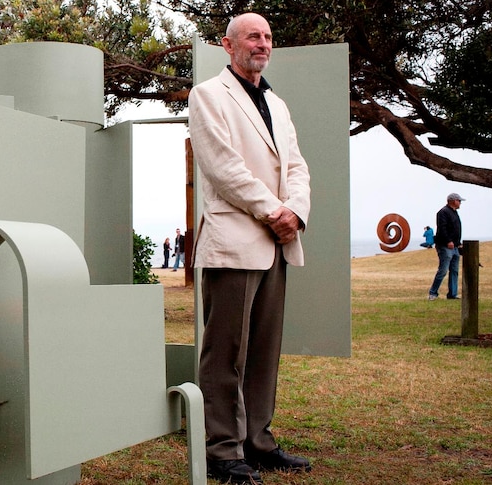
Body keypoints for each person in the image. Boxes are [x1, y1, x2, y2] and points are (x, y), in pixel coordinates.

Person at [188, 12, 312, 485]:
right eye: (252, 37)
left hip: (278, 242)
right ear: (228, 45)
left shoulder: (277, 104)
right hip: (234, 243)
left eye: (267, 37)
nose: (262, 43)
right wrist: (275, 212)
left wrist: (295, 213)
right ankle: (222, 450)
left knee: (263, 350)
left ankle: (258, 441)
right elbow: (223, 168)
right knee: (226, 351)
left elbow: (297, 166)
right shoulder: (207, 96)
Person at [428, 193, 465, 301]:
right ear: (453, 201)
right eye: (459, 201)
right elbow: (442, 229)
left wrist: (458, 243)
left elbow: (456, 229)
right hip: (445, 246)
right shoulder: (443, 212)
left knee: (454, 270)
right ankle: (433, 292)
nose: (460, 203)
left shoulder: (454, 213)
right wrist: (448, 241)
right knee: (443, 270)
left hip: (455, 246)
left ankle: (452, 294)